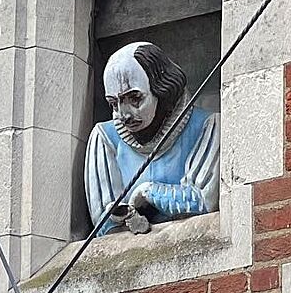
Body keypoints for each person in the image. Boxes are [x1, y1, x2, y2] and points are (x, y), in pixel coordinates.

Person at [84, 40, 220, 234]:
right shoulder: (105, 138)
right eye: (114, 103)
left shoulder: (206, 125)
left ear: (163, 91)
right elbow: (103, 225)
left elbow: (204, 200)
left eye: (135, 99)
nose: (124, 115)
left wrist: (148, 191)